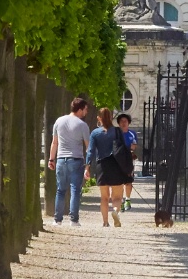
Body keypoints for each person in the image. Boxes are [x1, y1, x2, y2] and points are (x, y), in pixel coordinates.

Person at [48, 96, 90, 226]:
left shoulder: (59, 121)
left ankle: (57, 219)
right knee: (75, 190)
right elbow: (88, 147)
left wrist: (51, 159)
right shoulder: (82, 125)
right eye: (86, 109)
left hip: (60, 159)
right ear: (80, 109)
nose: (86, 112)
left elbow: (54, 143)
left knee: (60, 190)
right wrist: (88, 165)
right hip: (76, 159)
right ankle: (74, 220)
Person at [88, 107, 131, 227]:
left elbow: (90, 151)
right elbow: (123, 148)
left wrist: (87, 166)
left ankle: (105, 222)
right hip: (116, 165)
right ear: (111, 117)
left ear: (99, 118)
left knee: (104, 197)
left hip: (102, 165)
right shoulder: (118, 131)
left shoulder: (95, 133)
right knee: (117, 196)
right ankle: (115, 211)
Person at [116, 112, 138, 211]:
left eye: (125, 121)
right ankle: (120, 201)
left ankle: (127, 199)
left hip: (128, 159)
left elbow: (134, 146)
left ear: (128, 123)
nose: (123, 123)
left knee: (128, 181)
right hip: (117, 160)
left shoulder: (132, 134)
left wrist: (129, 149)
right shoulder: (115, 134)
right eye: (121, 121)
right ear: (119, 123)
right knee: (119, 182)